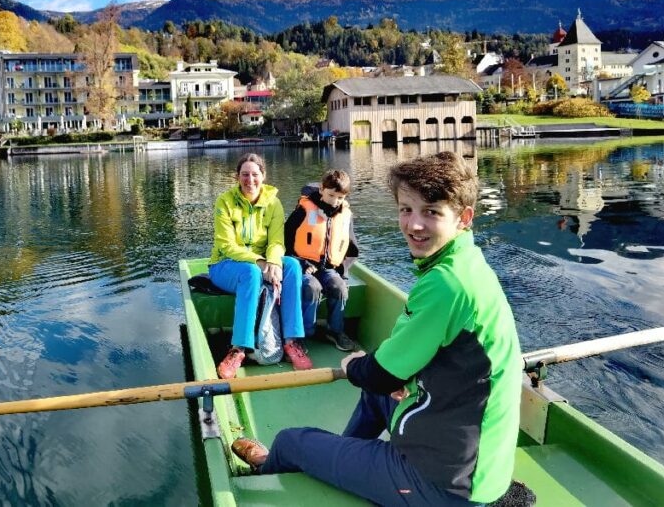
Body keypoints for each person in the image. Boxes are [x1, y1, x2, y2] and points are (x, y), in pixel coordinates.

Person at [231, 152, 522, 506]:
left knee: (292, 440)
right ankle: (343, 459)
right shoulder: (468, 262)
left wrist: (353, 365)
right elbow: (399, 376)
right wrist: (381, 375)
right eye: (406, 209)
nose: (413, 224)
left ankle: (275, 466)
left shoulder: (446, 284)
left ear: (463, 218)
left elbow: (381, 373)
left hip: (441, 484)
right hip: (472, 458)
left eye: (431, 212)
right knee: (376, 394)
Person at [210, 153, 311, 379]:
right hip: (226, 265)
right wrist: (260, 262)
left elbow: (277, 241)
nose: (250, 180)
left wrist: (274, 262)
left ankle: (291, 342)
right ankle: (239, 349)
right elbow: (226, 245)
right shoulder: (224, 202)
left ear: (263, 176)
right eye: (244, 174)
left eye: (255, 174)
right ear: (237, 177)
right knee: (251, 272)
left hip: (262, 261)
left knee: (292, 266)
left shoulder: (273, 203)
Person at [284, 169, 359, 352]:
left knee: (339, 288)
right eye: (331, 195)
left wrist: (343, 271)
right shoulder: (303, 210)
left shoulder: (345, 216)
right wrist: (299, 262)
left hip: (330, 268)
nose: (335, 201)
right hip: (303, 265)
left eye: (340, 197)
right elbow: (286, 239)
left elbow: (352, 249)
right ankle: (304, 333)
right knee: (311, 288)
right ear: (322, 191)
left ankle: (335, 331)